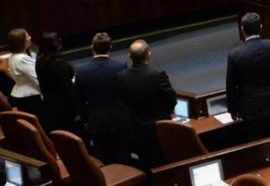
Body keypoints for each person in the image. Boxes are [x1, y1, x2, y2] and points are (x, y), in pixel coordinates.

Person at [226, 13, 270, 138]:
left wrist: (232, 110)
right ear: (261, 27)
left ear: (242, 29)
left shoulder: (235, 54)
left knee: (257, 142)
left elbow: (231, 86)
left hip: (250, 108)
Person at [115, 39, 175, 168]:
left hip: (136, 128)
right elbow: (171, 99)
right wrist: (167, 112)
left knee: (145, 162)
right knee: (162, 162)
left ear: (130, 56)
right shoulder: (158, 75)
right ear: (149, 54)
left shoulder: (121, 76)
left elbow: (121, 99)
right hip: (159, 128)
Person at [76, 32, 131, 164]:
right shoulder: (121, 66)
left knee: (104, 157)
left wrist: (85, 120)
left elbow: (79, 99)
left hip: (96, 121)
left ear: (92, 47)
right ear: (110, 47)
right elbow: (127, 92)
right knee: (123, 156)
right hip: (120, 119)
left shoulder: (82, 70)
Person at [34, 32, 77, 133]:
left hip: (50, 106)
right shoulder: (59, 65)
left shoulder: (39, 62)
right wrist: (77, 111)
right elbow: (69, 90)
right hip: (65, 109)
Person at [7, 29, 44, 123]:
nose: (30, 37)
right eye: (27, 36)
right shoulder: (22, 59)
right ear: (21, 41)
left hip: (22, 97)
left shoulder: (13, 56)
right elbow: (37, 77)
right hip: (30, 98)